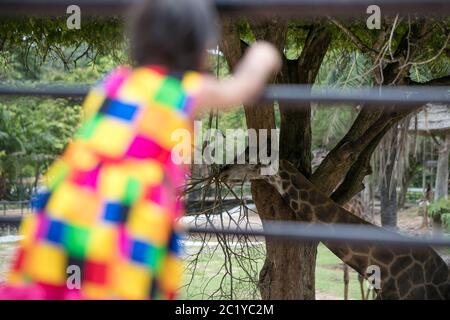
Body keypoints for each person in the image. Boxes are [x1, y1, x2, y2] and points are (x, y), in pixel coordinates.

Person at [0, 0, 281, 300]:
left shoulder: (115, 82)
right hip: (127, 214)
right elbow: (239, 88)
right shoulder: (185, 88)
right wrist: (264, 54)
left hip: (68, 203)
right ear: (200, 52)